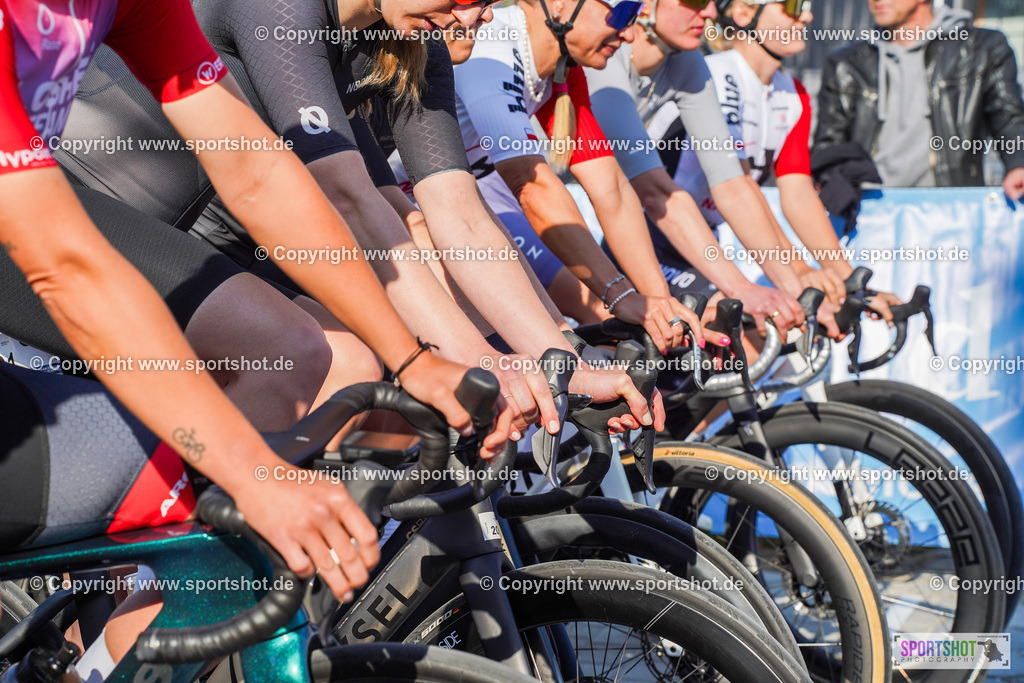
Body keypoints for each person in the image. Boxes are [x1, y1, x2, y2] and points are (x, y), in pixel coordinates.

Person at [0, 0, 517, 666]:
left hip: (29, 221)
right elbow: (65, 268)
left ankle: (125, 647)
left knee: (297, 354)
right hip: (45, 234)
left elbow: (257, 168)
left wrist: (413, 356)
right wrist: (253, 471)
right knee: (130, 469)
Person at [54, 0, 684, 435]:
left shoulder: (411, 37)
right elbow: (347, 194)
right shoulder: (287, 10)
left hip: (230, 235)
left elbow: (446, 215)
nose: (475, 17)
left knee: (375, 386)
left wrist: (557, 356)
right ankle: (163, 584)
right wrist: (471, 360)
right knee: (339, 362)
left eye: (487, 1)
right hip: (115, 209)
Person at [450, 0, 725, 349]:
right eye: (622, 14)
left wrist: (661, 306)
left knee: (593, 320)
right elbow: (530, 185)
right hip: (408, 206)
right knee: (549, 347)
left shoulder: (561, 69)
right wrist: (622, 294)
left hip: (463, 200)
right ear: (559, 5)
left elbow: (612, 189)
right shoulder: (494, 43)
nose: (628, 34)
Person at [625, 0, 901, 325]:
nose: (807, 15)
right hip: (650, 235)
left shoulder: (793, 94)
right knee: (748, 334)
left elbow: (797, 193)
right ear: (744, 14)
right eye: (794, 5)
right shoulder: (715, 74)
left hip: (700, 240)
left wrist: (848, 279)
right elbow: (738, 185)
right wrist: (797, 270)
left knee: (758, 336)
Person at [814, 0, 1024, 199]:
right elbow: (828, 146)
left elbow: (1008, 117)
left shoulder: (982, 48)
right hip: (868, 212)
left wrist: (1018, 165)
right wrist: (829, 183)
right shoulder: (845, 64)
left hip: (951, 208)